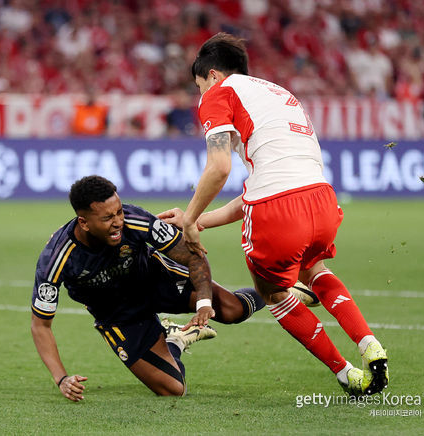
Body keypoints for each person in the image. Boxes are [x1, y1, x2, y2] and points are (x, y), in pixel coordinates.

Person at [159, 33, 389, 397]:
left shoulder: (219, 93)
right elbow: (261, 189)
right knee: (314, 269)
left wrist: (188, 220)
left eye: (200, 85)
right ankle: (369, 343)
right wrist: (200, 219)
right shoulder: (280, 95)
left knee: (273, 293)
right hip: (323, 201)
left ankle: (346, 373)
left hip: (278, 211)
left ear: (213, 75)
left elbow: (219, 168)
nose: (201, 94)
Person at [31, 175, 314, 401]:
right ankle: (177, 339)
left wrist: (204, 303)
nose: (118, 222)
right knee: (173, 389)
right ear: (84, 222)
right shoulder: (57, 258)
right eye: (107, 218)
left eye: (118, 212)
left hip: (158, 281)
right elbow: (41, 325)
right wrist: (61, 378)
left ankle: (286, 289)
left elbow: (192, 255)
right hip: (120, 315)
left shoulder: (134, 220)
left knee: (232, 310)